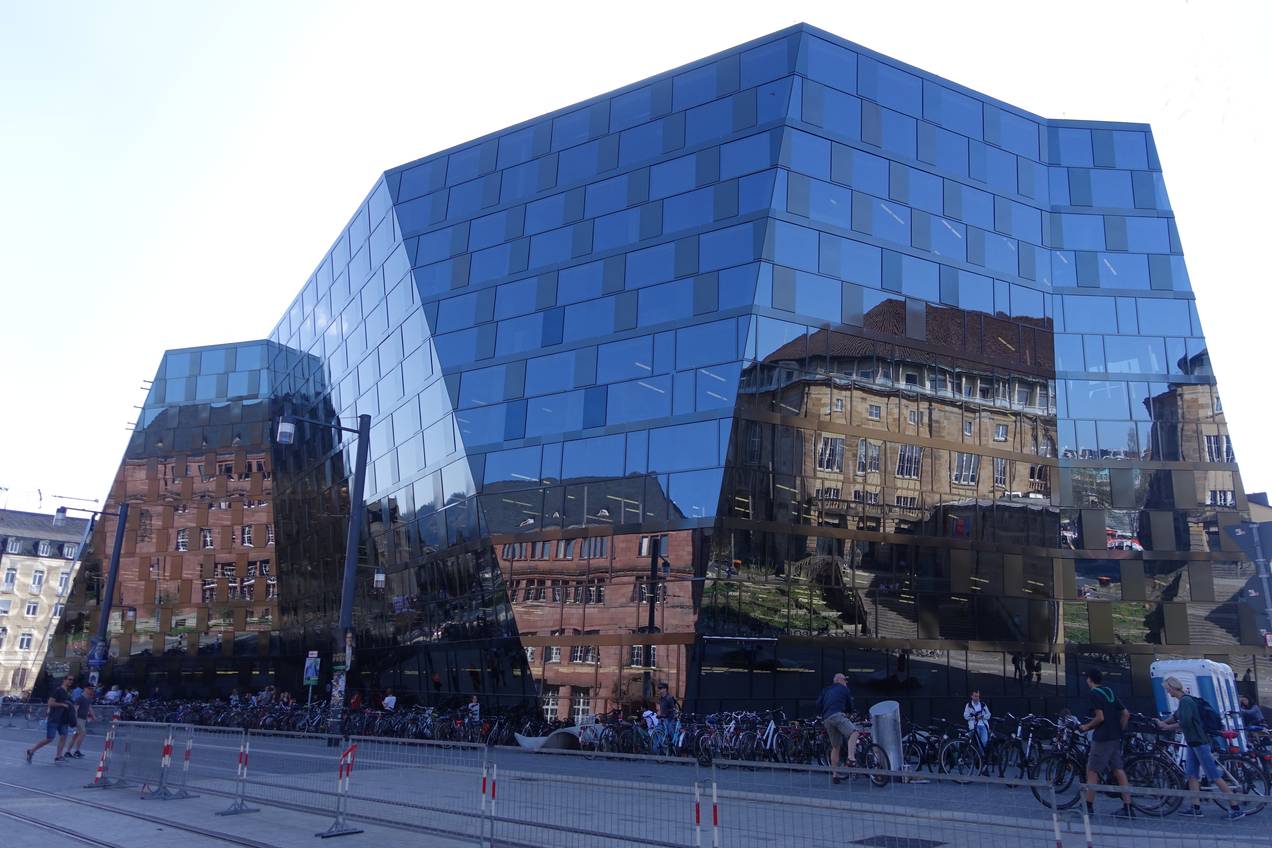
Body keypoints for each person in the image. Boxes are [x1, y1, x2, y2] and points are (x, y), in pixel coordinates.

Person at [1156, 676, 1245, 819]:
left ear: (1172, 688)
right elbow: (1176, 716)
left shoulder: (1185, 701)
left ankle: (1236, 808)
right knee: (1192, 775)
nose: (1168, 692)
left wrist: (1167, 727)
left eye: (1167, 690)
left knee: (1214, 776)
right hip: (1193, 743)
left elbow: (1184, 722)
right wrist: (1162, 723)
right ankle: (1195, 807)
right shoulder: (1185, 700)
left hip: (1199, 742)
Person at [1079, 670, 1133, 819]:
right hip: (1115, 737)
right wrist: (1119, 729)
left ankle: (1087, 806)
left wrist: (1086, 727)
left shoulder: (1094, 693)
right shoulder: (1108, 690)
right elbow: (1126, 713)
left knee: (1092, 771)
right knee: (1118, 769)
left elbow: (1100, 718)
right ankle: (1128, 806)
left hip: (1102, 738)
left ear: (1089, 680)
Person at [815, 673, 858, 784]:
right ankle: (851, 758)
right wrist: (849, 712)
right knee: (854, 732)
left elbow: (818, 704)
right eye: (845, 680)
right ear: (839, 680)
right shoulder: (844, 689)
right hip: (837, 715)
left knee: (835, 746)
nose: (846, 682)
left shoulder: (825, 690)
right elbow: (850, 706)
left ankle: (835, 775)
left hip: (827, 719)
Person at [26, 675, 75, 763]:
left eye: (72, 680)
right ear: (64, 680)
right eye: (69, 679)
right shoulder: (58, 690)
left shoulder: (67, 692)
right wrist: (62, 705)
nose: (71, 681)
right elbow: (50, 703)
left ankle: (58, 756)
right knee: (49, 738)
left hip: (64, 719)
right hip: (54, 718)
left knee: (64, 736)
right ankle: (31, 751)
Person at [69, 684, 96, 759]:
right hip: (79, 719)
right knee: (83, 733)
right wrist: (75, 720)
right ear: (85, 689)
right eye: (89, 688)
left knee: (76, 736)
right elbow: (75, 709)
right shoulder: (80, 698)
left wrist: (93, 716)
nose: (91, 690)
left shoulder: (88, 698)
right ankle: (76, 751)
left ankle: (68, 752)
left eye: (92, 689)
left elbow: (89, 707)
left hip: (83, 719)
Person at [656, 682, 678, 751]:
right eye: (659, 688)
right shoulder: (660, 698)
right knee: (660, 733)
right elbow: (660, 708)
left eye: (661, 688)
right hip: (662, 718)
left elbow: (673, 708)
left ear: (665, 689)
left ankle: (674, 748)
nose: (659, 690)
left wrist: (668, 713)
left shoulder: (669, 698)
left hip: (669, 718)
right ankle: (662, 749)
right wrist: (659, 714)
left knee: (670, 733)